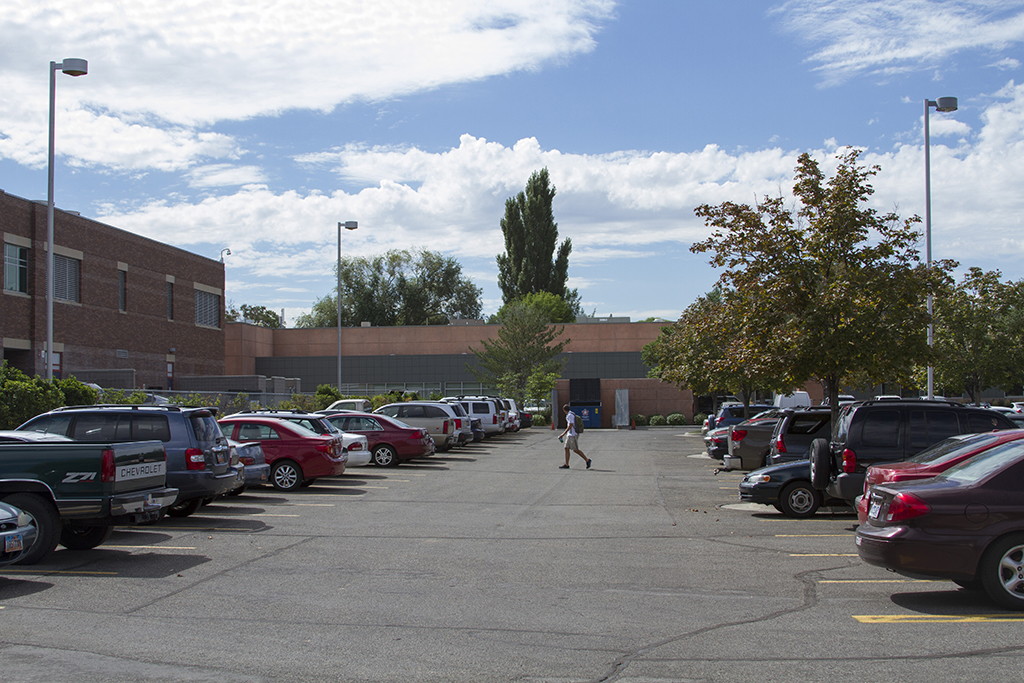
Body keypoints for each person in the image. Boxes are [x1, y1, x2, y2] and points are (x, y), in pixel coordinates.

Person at [558, 403, 592, 470]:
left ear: (564, 410)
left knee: (575, 450)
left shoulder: (570, 415)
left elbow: (570, 426)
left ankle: (587, 460)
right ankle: (567, 464)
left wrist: (563, 434)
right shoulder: (571, 414)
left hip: (573, 435)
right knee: (566, 448)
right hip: (570, 435)